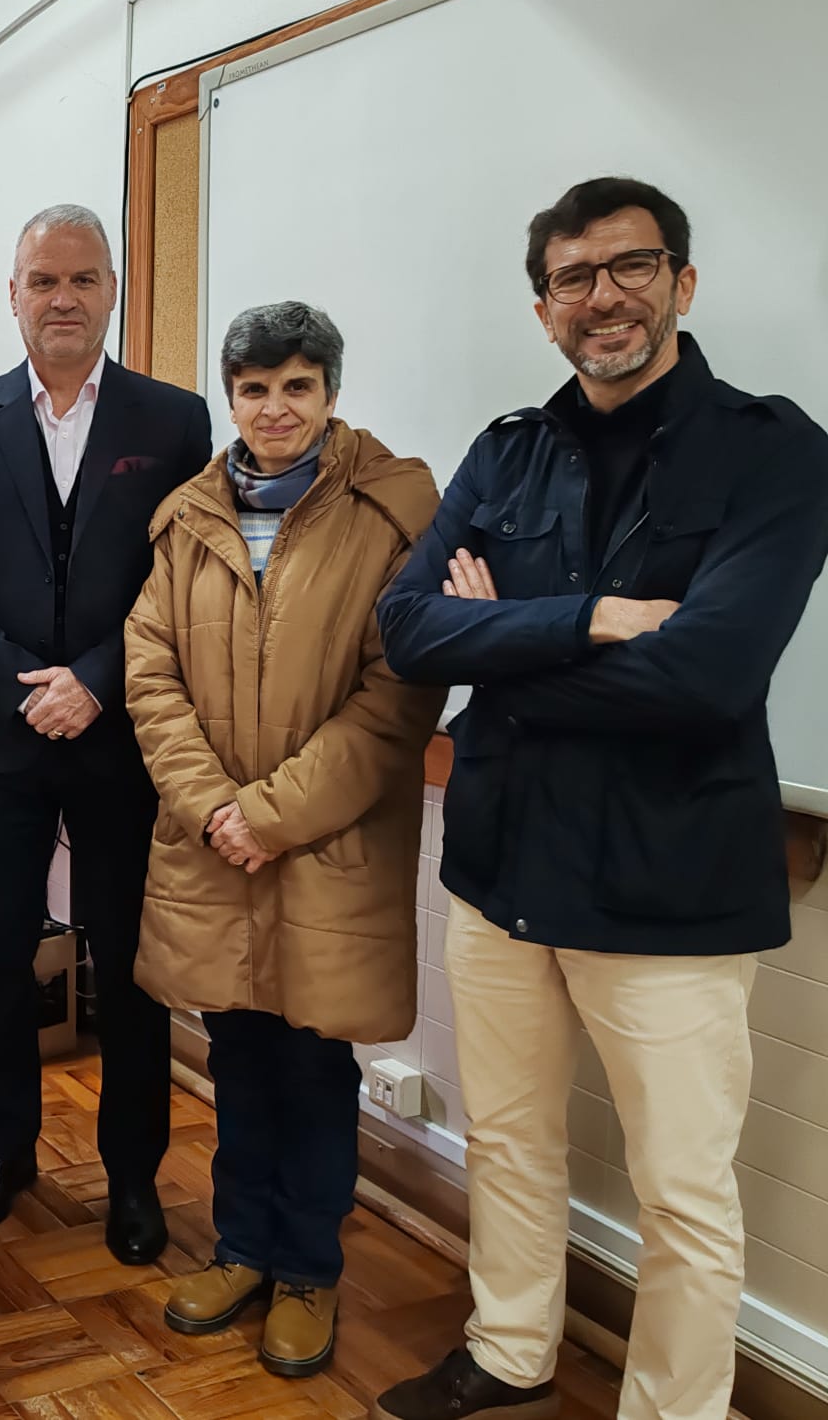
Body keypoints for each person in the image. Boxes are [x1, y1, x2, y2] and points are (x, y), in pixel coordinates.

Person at [375, 178, 828, 1420]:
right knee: (511, 1140)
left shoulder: (774, 449)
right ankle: (512, 1348)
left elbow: (710, 671)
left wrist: (504, 649)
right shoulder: (507, 449)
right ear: (544, 310)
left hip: (671, 878)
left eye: (630, 267)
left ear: (682, 283)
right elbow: (409, 633)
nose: (603, 298)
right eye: (573, 279)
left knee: (683, 1193)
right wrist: (588, 622)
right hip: (502, 864)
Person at [124, 303, 442, 1377]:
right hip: (212, 840)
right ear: (231, 397)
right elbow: (148, 668)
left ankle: (307, 1270)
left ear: (329, 393)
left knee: (313, 1063)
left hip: (322, 847)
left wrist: (267, 815)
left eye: (296, 387)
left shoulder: (392, 511)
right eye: (254, 389)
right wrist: (214, 803)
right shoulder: (186, 517)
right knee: (237, 1058)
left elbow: (398, 693)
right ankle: (243, 1250)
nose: (274, 409)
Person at [0, 203, 210, 1261]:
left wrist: (92, 681)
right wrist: (20, 687)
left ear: (111, 290)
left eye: (82, 279)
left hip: (124, 732)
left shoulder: (173, 422)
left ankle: (133, 1179)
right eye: (42, 281)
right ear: (13, 295)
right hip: (0, 739)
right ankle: (4, 1154)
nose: (63, 299)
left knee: (127, 962)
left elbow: (181, 580)